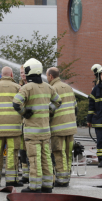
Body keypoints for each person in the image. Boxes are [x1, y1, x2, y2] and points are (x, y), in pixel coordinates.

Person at [13, 58, 61, 193]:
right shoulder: (48, 87)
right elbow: (58, 102)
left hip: (32, 133)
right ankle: (47, 185)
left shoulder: (27, 87)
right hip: (45, 132)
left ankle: (34, 186)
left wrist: (24, 113)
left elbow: (16, 103)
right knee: (46, 158)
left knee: (34, 159)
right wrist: (49, 110)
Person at [47, 66, 77, 187]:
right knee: (68, 153)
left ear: (50, 76)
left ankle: (61, 179)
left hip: (58, 128)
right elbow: (75, 107)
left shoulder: (52, 88)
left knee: (59, 153)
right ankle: (67, 177)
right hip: (70, 128)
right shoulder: (69, 87)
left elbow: (49, 109)